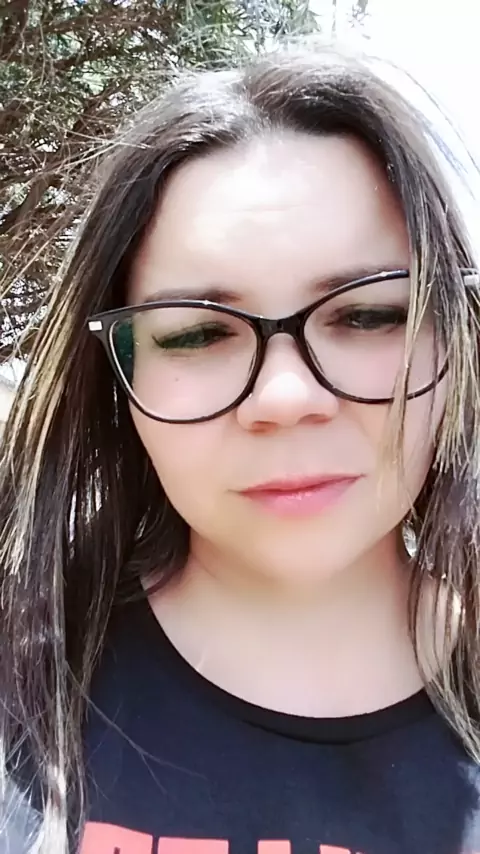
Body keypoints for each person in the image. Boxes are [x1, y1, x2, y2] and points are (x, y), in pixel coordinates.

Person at [1, 42, 480, 854]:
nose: (286, 399)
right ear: (117, 376)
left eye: (367, 315)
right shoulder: (21, 696)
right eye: (196, 334)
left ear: (455, 343)